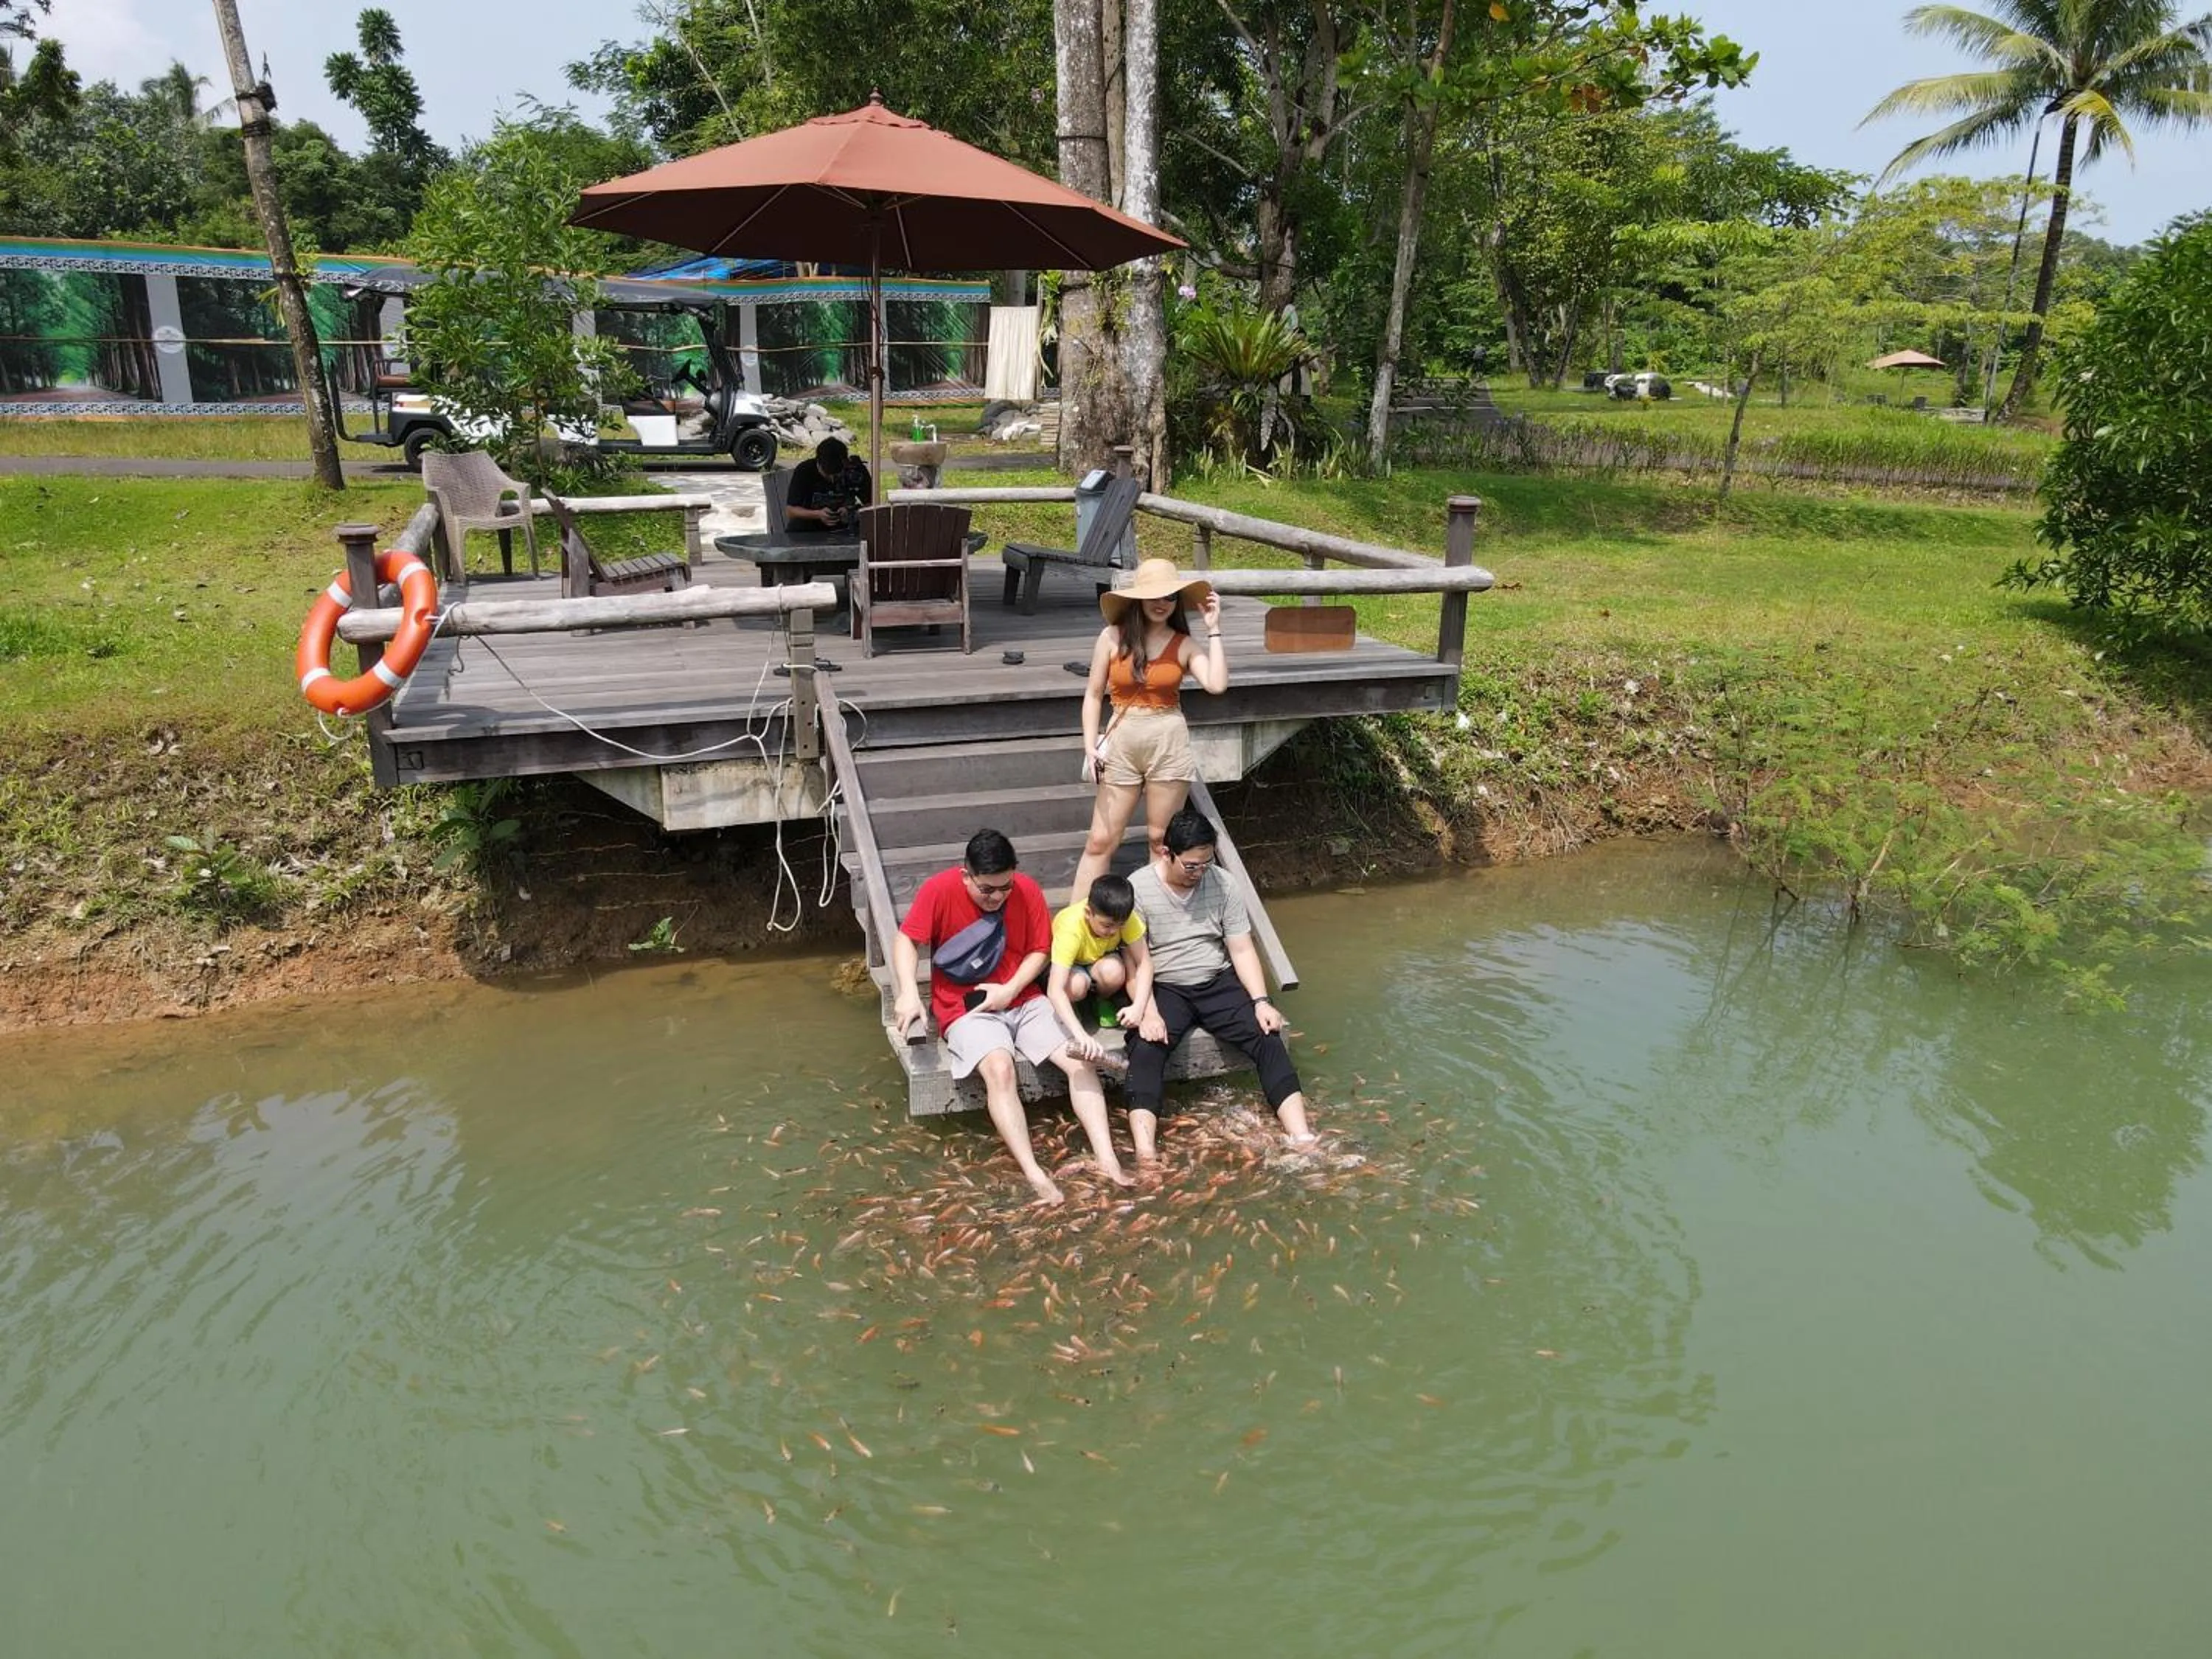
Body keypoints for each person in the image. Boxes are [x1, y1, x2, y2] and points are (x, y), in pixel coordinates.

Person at [891, 828, 1131, 1203]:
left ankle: (1107, 1158)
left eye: (1004, 887)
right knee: (1000, 1069)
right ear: (966, 875)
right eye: (986, 890)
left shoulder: (1027, 890)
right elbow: (907, 938)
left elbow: (1039, 950)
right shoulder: (939, 890)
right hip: (965, 1006)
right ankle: (1035, 1172)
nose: (997, 897)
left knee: (1078, 1060)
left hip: (1024, 996)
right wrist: (908, 990)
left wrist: (1010, 990)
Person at [1122, 805, 1315, 1162]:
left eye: (1206, 863)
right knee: (1146, 1049)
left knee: (1267, 1037)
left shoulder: (1223, 883)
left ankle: (1302, 1137)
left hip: (1216, 979)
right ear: (1167, 853)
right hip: (1164, 985)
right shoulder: (1138, 888)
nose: (1199, 873)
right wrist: (1147, 1012)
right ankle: (1146, 1156)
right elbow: (1134, 964)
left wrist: (1260, 1000)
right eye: (1191, 865)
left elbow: (1241, 948)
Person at [1071, 558, 1228, 904]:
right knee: (1100, 840)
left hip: (1168, 741)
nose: (1161, 604)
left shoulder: (1184, 643)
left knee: (1160, 840)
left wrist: (1213, 629)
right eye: (1153, 596)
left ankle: (1152, 921)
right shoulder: (1112, 636)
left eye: (1170, 597)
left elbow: (1216, 684)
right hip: (1121, 741)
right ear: (1138, 599)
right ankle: (1077, 925)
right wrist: (1089, 745)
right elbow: (1094, 694)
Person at [1044, 873, 1150, 1060]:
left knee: (1114, 972)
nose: (1114, 931)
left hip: (1101, 960)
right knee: (1075, 986)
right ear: (1088, 913)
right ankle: (1075, 1006)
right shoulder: (1071, 927)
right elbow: (1055, 989)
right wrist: (1080, 1034)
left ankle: (1101, 999)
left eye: (1120, 925)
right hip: (1071, 966)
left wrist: (1139, 1006)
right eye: (1107, 926)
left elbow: (1145, 963)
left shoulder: (1124, 918)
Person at [786, 436, 871, 531]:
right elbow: (791, 511)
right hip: (812, 527)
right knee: (796, 526)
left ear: (846, 463)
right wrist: (818, 514)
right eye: (827, 474)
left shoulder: (856, 472)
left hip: (847, 527)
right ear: (818, 463)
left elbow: (873, 505)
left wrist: (853, 513)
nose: (832, 479)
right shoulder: (805, 470)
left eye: (837, 475)